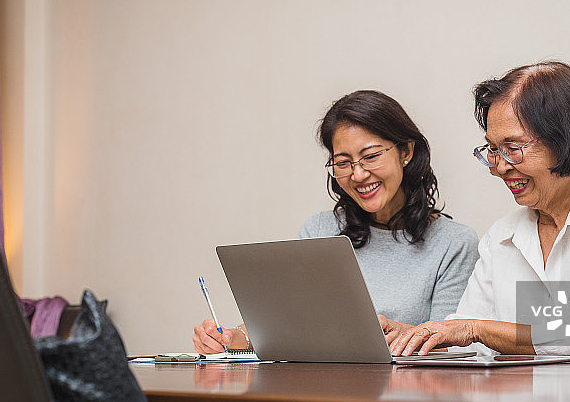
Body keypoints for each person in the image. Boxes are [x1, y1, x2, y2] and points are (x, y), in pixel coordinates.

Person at [384, 61, 570, 360]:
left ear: (567, 140)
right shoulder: (502, 235)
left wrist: (474, 329)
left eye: (513, 147)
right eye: (493, 149)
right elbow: (469, 341)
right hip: (524, 392)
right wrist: (412, 335)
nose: (500, 167)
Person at [194, 90, 479, 354]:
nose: (358, 175)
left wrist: (398, 334)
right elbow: (285, 320)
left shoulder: (453, 243)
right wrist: (231, 338)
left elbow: (451, 348)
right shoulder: (320, 230)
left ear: (406, 152)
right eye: (343, 163)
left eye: (370, 157)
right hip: (322, 385)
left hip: (406, 389)